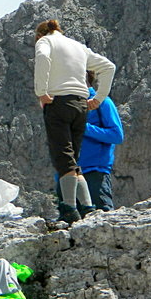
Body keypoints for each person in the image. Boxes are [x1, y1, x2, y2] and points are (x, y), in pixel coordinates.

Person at [34, 19, 115, 224]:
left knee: (63, 158)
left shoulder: (46, 42)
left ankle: (69, 208)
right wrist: (98, 98)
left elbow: (42, 58)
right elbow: (108, 66)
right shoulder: (79, 47)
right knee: (73, 160)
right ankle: (87, 207)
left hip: (59, 102)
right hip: (81, 105)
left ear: (40, 34)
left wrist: (41, 92)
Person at [56, 71, 124, 215]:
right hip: (67, 176)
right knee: (69, 224)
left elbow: (116, 135)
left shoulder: (101, 101)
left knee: (100, 222)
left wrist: (84, 127)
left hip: (94, 173)